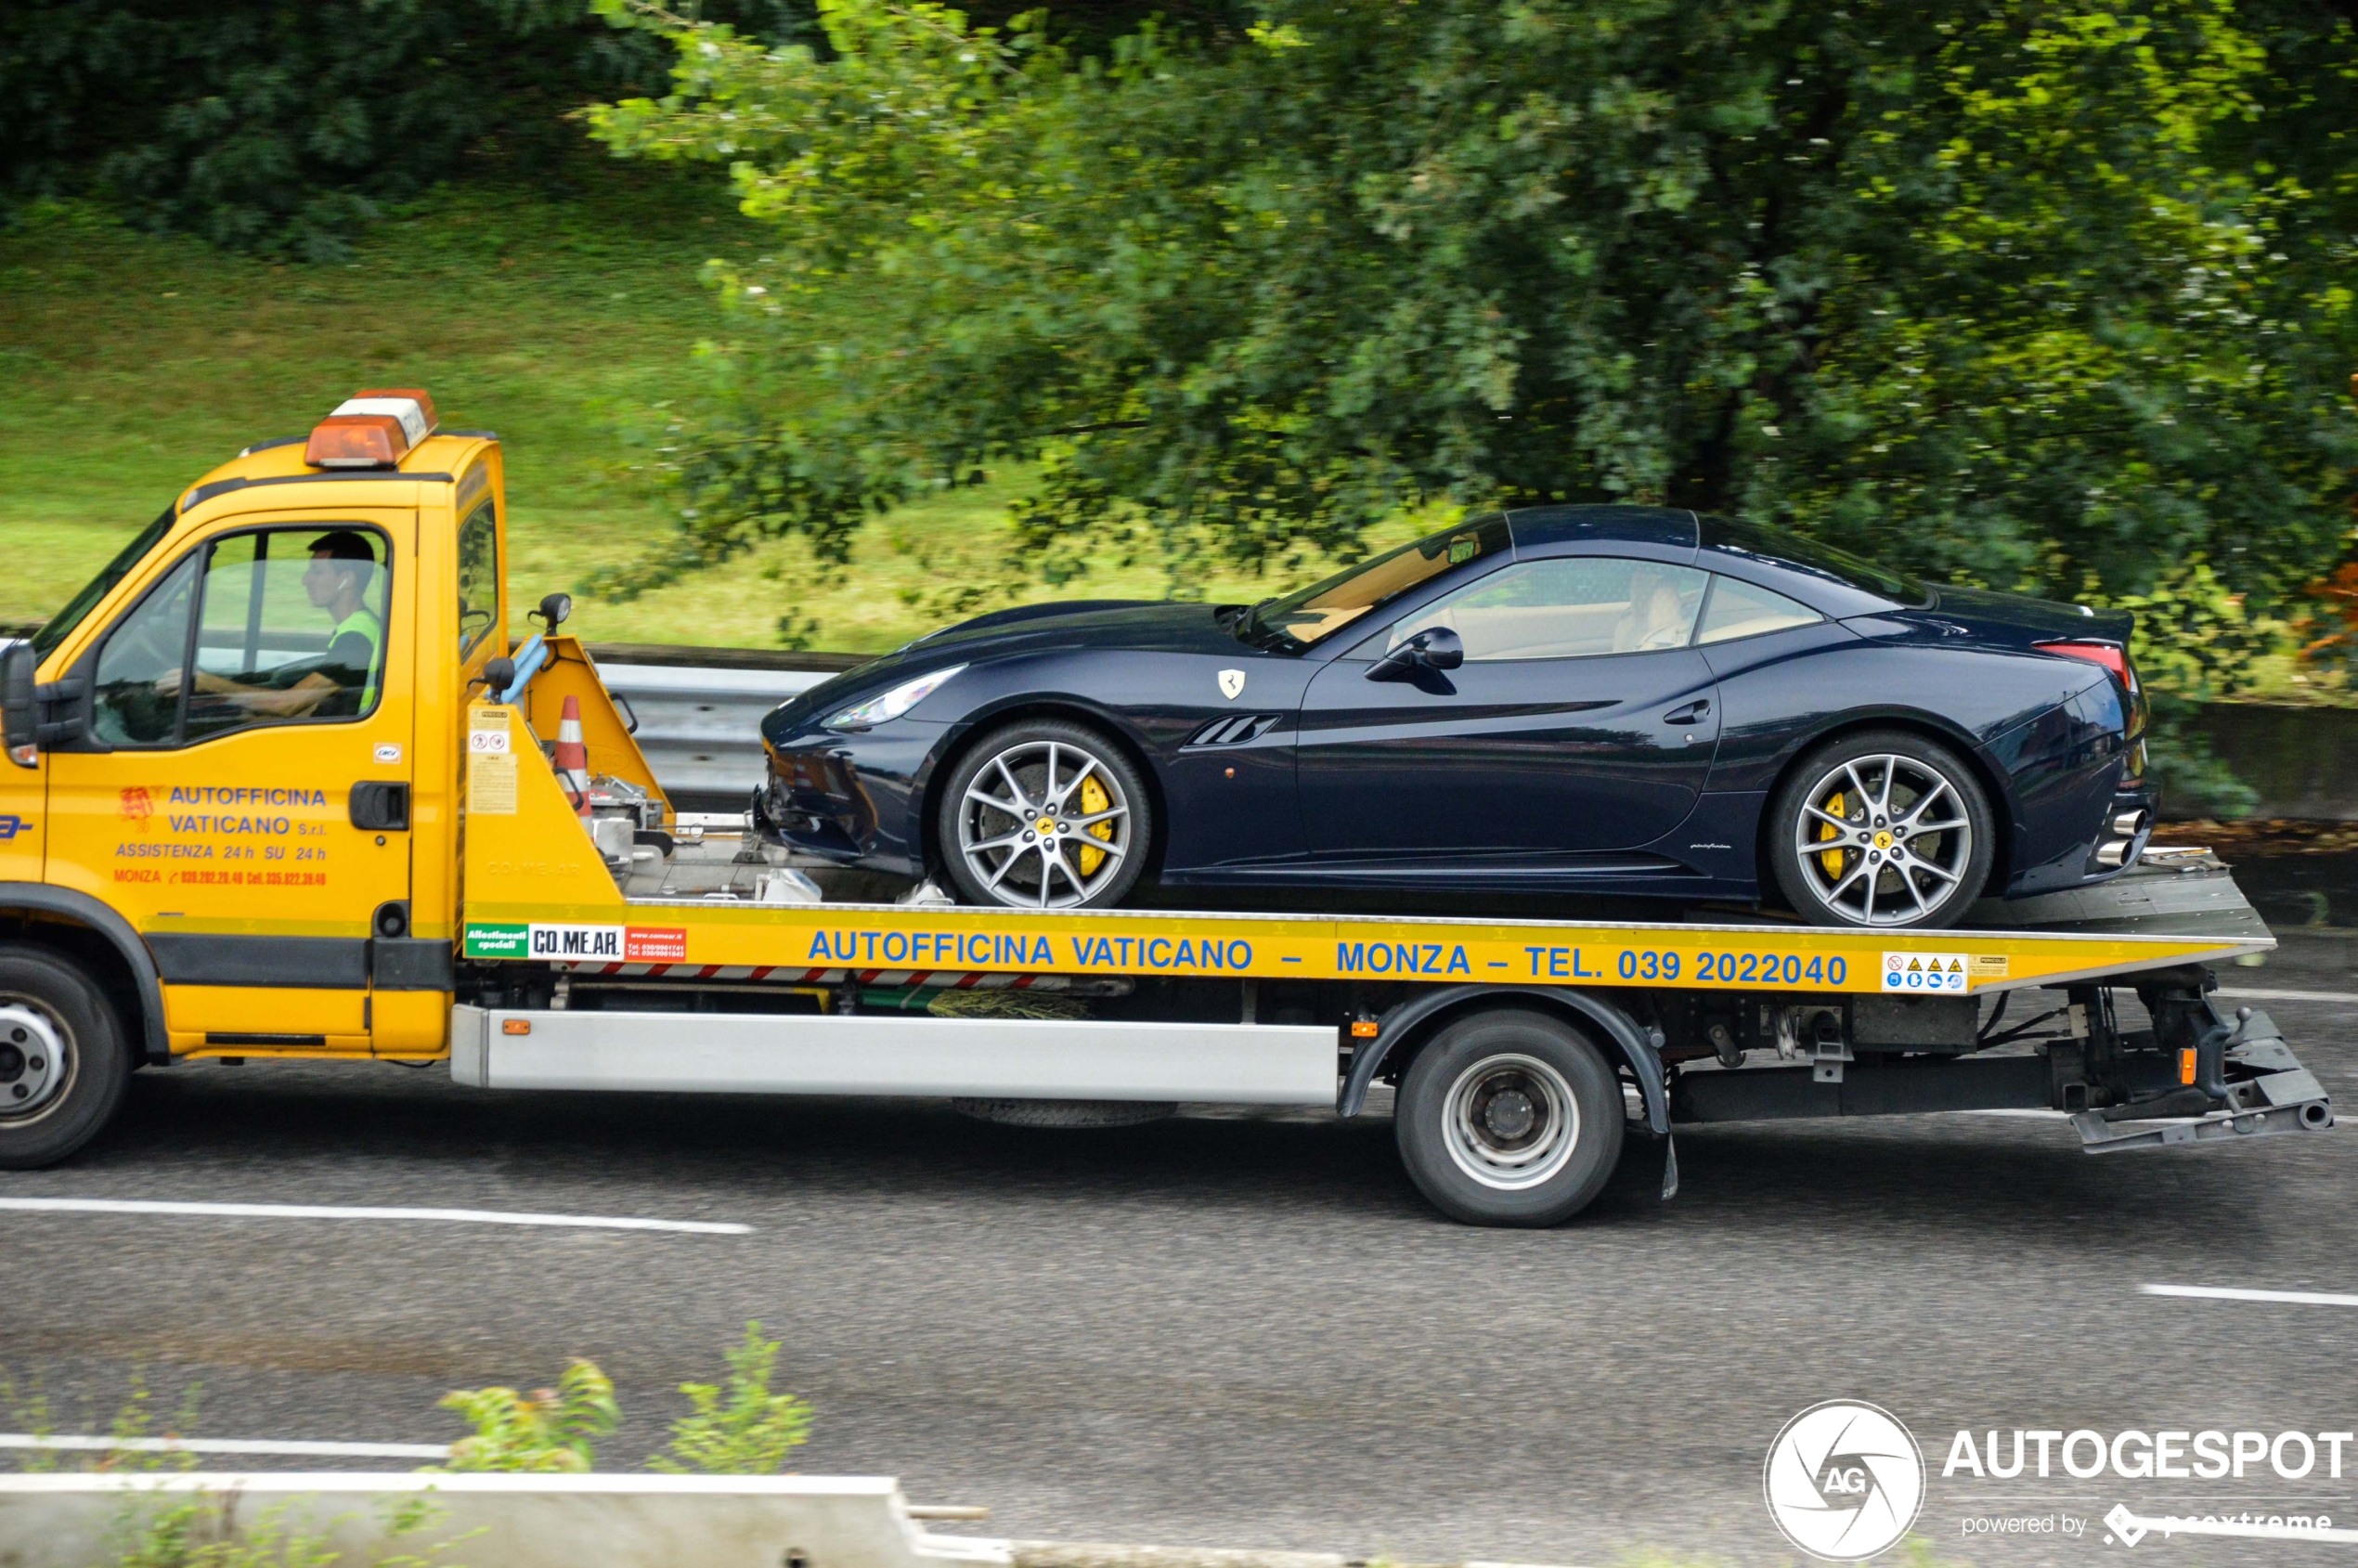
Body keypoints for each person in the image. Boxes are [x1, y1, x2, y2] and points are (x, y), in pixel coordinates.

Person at [157, 531, 383, 720]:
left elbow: (287, 704)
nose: (305, 580)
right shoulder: (359, 627)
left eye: (317, 572)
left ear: (348, 579)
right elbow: (323, 704)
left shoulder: (355, 638)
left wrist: (208, 682)